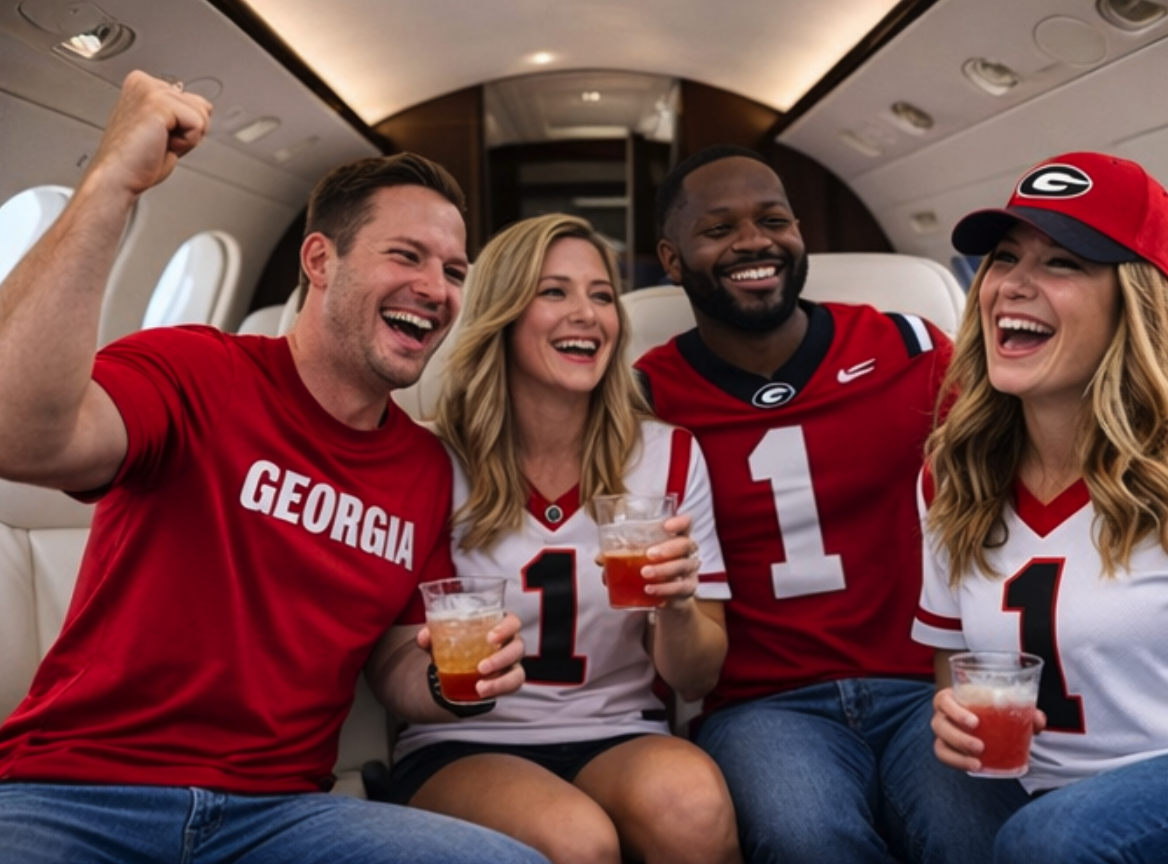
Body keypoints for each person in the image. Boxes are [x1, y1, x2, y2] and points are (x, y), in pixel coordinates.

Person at [0, 70, 545, 864]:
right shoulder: (195, 369)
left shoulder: (426, 466)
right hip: (78, 789)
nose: (435, 289)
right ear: (320, 260)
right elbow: (22, 436)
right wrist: (114, 178)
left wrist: (439, 683)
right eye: (407, 256)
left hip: (278, 816)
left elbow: (397, 653)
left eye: (455, 271)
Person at [914, 151, 1168, 863]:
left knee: (1050, 841)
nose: (1013, 286)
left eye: (1062, 263)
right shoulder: (953, 475)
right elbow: (957, 671)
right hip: (1039, 782)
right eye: (1004, 258)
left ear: (1136, 302)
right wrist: (955, 723)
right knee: (920, 776)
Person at [635, 144, 1010, 864]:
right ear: (673, 258)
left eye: (773, 220)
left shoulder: (906, 346)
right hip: (763, 705)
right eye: (718, 230)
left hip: (919, 684)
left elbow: (1014, 467)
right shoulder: (646, 399)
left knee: (975, 837)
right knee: (808, 838)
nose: (753, 242)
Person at [366, 213, 742, 864]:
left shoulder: (667, 456)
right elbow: (390, 668)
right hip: (464, 745)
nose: (586, 314)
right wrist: (450, 680)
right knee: (576, 840)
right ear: (504, 314)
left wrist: (677, 604)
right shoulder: (424, 458)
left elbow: (695, 677)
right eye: (554, 292)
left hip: (621, 729)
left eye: (601, 295)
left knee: (695, 810)